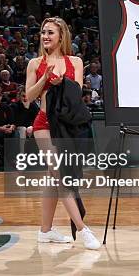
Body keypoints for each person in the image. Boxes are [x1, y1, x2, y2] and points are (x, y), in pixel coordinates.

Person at [25, 17, 100, 250]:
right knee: (62, 176)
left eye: (50, 32)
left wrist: (61, 81)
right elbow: (28, 98)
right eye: (43, 32)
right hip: (44, 124)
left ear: (61, 36)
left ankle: (45, 231)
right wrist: (46, 79)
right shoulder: (35, 63)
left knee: (53, 178)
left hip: (67, 126)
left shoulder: (75, 61)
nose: (45, 36)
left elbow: (76, 93)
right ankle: (82, 229)